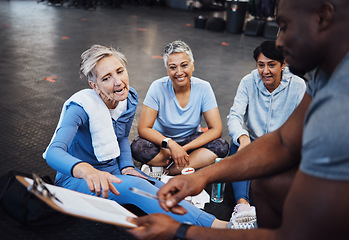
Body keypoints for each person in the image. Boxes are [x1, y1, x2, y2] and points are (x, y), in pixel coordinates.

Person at [127, 0, 349, 239]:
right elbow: (282, 141)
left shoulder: (348, 96)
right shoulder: (327, 70)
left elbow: (292, 235)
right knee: (265, 185)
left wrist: (181, 230)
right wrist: (201, 176)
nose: (279, 41)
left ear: (323, 16)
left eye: (285, 26)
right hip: (184, 150)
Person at [43, 44, 227, 228]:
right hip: (79, 179)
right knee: (136, 188)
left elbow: (122, 137)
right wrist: (86, 170)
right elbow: (53, 153)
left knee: (162, 187)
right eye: (107, 78)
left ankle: (201, 220)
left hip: (113, 169)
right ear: (94, 86)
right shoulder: (80, 108)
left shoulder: (128, 100)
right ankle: (219, 227)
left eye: (120, 71)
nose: (118, 82)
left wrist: (127, 167)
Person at [226, 40, 306, 229]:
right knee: (236, 145)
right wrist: (243, 137)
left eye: (271, 65)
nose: (265, 71)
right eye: (261, 65)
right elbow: (234, 115)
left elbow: (303, 124)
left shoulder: (298, 86)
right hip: (252, 142)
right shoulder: (248, 81)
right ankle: (242, 207)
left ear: (283, 64)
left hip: (282, 144)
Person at [131, 40, 229, 175]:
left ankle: (169, 170)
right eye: (172, 67)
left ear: (192, 66)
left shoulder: (204, 87)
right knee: (138, 147)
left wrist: (183, 148)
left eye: (184, 65)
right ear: (167, 68)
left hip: (190, 142)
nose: (179, 72)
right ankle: (185, 165)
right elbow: (143, 128)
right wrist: (171, 145)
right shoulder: (157, 87)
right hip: (163, 144)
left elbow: (216, 129)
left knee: (221, 146)